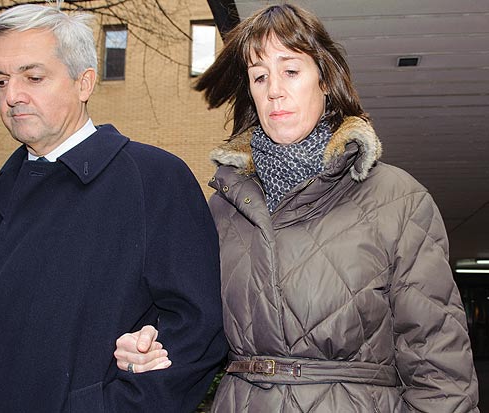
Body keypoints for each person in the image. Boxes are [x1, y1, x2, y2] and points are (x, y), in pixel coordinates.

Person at [114, 3, 480, 412]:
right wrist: (150, 345)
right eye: (259, 76)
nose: (274, 89)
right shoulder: (222, 209)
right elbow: (197, 332)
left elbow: (440, 368)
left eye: (290, 71)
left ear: (324, 80)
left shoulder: (398, 200)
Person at [0, 4, 227, 412]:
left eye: (33, 77)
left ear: (84, 83)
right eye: (0, 81)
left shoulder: (152, 179)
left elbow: (199, 330)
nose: (12, 96)